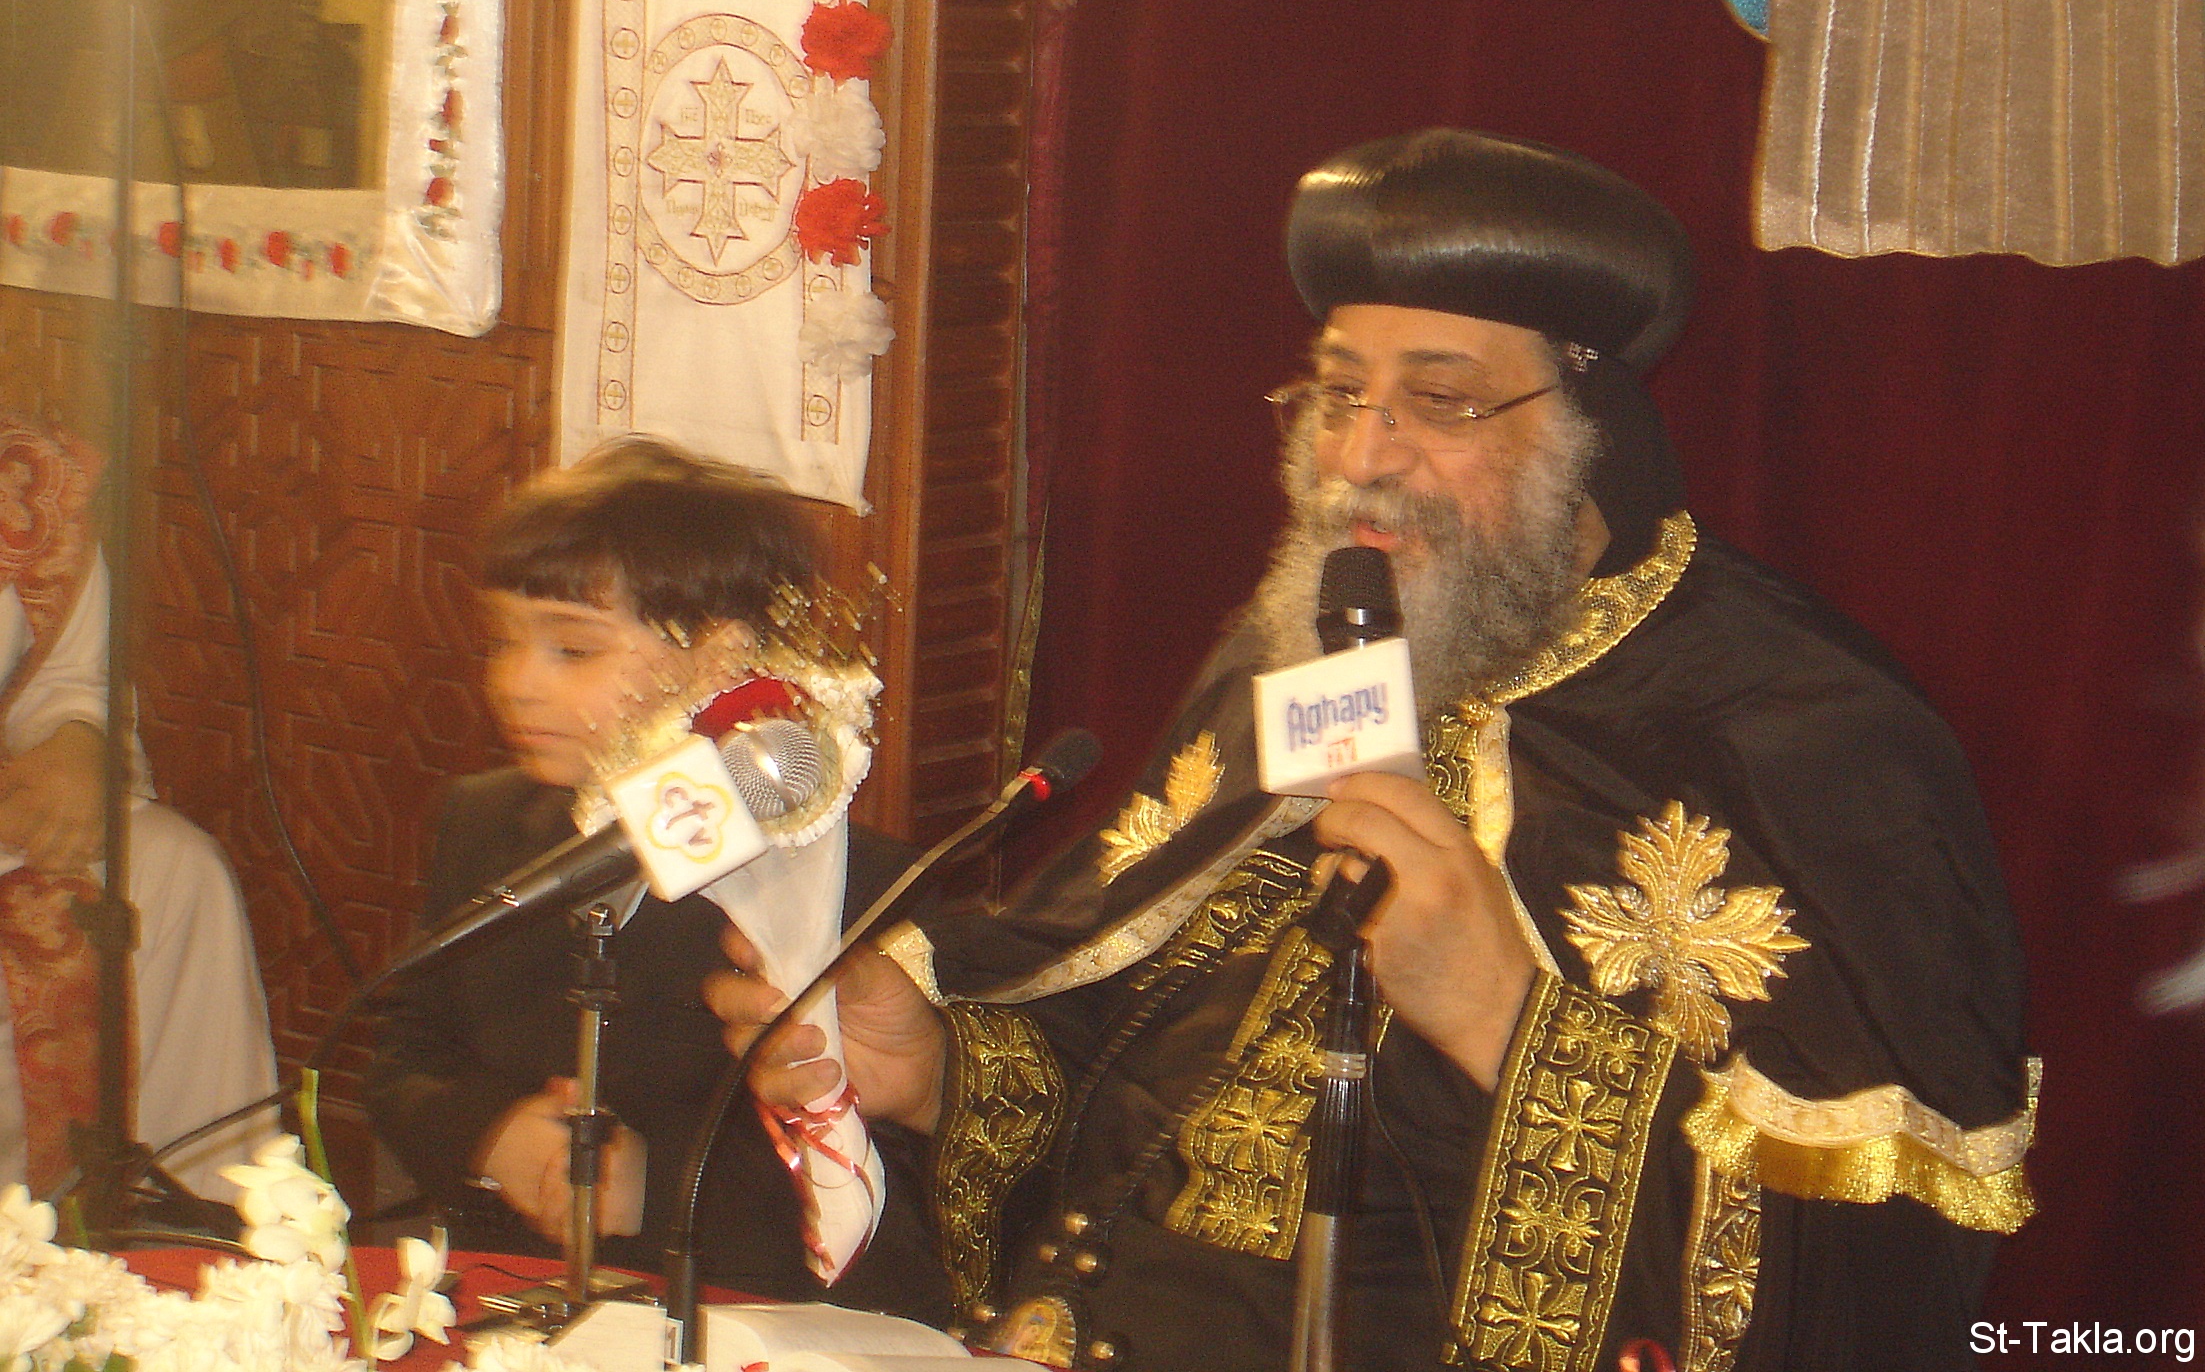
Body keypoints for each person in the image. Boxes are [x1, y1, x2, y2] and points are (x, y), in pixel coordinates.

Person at [708, 130, 2037, 1371]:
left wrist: (1502, 1017)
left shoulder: (1802, 733)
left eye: (1439, 402)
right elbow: (1135, 1050)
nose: (1357, 454)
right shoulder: (1296, 651)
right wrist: (939, 1071)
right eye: (1339, 390)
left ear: (1592, 427)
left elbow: (1872, 1272)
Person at [364, 438, 947, 1310]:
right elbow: (403, 1053)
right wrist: (491, 1135)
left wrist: (658, 1184)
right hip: (501, 1285)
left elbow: (893, 1186)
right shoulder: (485, 822)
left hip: (728, 1311)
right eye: (502, 640)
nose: (516, 683)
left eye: (572, 650)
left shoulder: (847, 888)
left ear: (718, 658)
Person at [0, 410, 277, 1201]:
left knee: (173, 870)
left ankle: (202, 1220)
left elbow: (70, 675)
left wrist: (79, 740)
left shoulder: (26, 484)